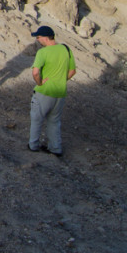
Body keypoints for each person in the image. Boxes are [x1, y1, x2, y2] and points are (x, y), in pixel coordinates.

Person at [28, 25, 76, 157]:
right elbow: (72, 71)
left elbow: (36, 72)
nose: (37, 40)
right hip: (60, 93)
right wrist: (61, 80)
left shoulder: (43, 52)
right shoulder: (66, 49)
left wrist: (40, 83)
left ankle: (33, 145)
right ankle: (55, 148)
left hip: (44, 91)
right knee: (54, 121)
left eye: (38, 37)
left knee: (37, 119)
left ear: (45, 37)